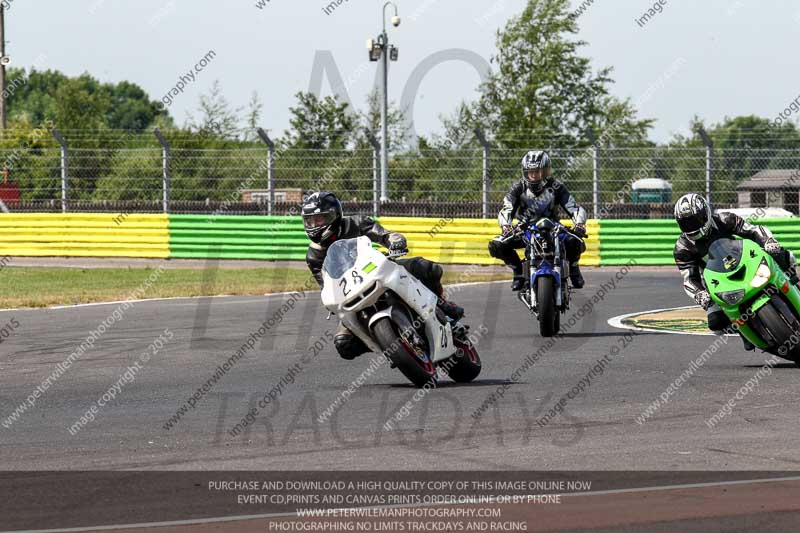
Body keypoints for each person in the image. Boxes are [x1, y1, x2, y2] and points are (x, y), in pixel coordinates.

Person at [302, 191, 465, 360]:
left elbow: (384, 234)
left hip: (378, 269)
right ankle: (388, 344)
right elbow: (326, 285)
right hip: (351, 292)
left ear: (333, 215)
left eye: (319, 219)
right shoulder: (314, 256)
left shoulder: (356, 223)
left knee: (426, 267)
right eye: (309, 221)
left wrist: (394, 241)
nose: (314, 224)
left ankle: (442, 305)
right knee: (344, 344)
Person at [673, 193, 799, 347]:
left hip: (743, 259)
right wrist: (701, 295)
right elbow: (689, 279)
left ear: (705, 213)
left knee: (779, 253)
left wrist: (768, 242)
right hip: (716, 280)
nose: (692, 226)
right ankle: (746, 333)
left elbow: (754, 231)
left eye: (694, 220)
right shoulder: (682, 248)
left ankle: (793, 282)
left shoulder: (725, 219)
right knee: (716, 322)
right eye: (686, 223)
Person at [488, 150, 587, 291]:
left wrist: (579, 224)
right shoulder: (518, 188)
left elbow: (574, 207)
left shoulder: (556, 187)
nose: (533, 175)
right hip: (525, 229)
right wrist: (506, 226)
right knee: (496, 245)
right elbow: (506, 208)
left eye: (537, 171)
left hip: (553, 227)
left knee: (576, 240)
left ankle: (573, 268)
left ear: (545, 171)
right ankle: (518, 272)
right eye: (530, 171)